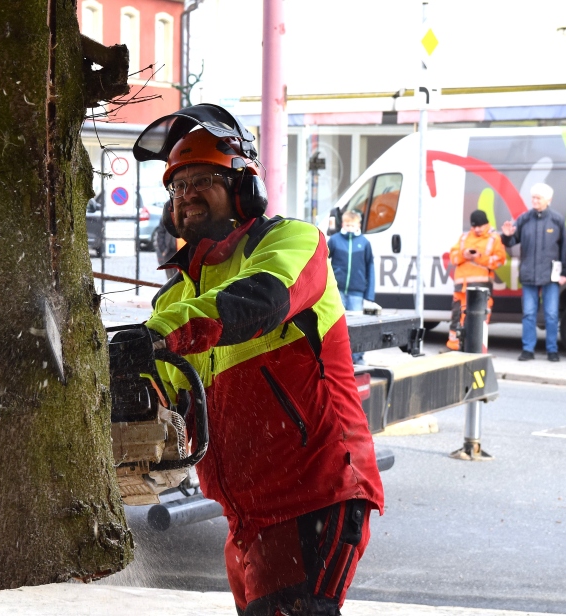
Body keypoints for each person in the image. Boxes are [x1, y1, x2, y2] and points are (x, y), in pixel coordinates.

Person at [133, 104, 384, 616]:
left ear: (244, 187)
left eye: (203, 179)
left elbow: (262, 299)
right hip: (246, 518)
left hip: (315, 493)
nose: (187, 195)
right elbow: (161, 390)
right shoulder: (175, 298)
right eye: (178, 187)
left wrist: (158, 335)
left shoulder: (290, 241)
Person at [501, 183, 566, 362]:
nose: (534, 200)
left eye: (538, 198)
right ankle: (527, 350)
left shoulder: (557, 220)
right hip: (529, 275)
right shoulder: (524, 219)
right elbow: (511, 243)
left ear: (548, 200)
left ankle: (552, 350)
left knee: (551, 314)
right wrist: (506, 235)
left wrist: (565, 273)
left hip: (550, 276)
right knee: (529, 314)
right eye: (533, 197)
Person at [446, 210, 507, 351]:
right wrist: (464, 254)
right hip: (461, 286)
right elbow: (453, 257)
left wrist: (478, 257)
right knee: (457, 316)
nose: (478, 229)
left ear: (486, 224)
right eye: (475, 227)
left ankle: (477, 347)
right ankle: (453, 347)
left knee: (479, 318)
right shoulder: (464, 238)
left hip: (481, 286)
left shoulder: (493, 238)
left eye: (480, 226)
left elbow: (500, 260)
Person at [327, 210, 375, 364]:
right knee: (338, 324)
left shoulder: (365, 243)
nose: (350, 227)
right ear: (343, 224)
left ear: (358, 225)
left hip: (356, 292)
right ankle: (337, 357)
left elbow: (370, 268)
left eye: (353, 225)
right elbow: (325, 262)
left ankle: (357, 357)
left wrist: (369, 295)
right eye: (347, 224)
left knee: (357, 326)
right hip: (337, 290)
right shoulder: (334, 240)